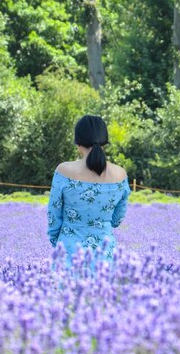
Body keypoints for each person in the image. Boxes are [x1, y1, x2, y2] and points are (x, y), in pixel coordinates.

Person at [47, 115, 130, 268]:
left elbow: (53, 216)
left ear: (78, 143)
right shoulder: (121, 174)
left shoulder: (63, 171)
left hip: (68, 252)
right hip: (106, 255)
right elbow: (117, 220)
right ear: (105, 141)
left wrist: (57, 243)